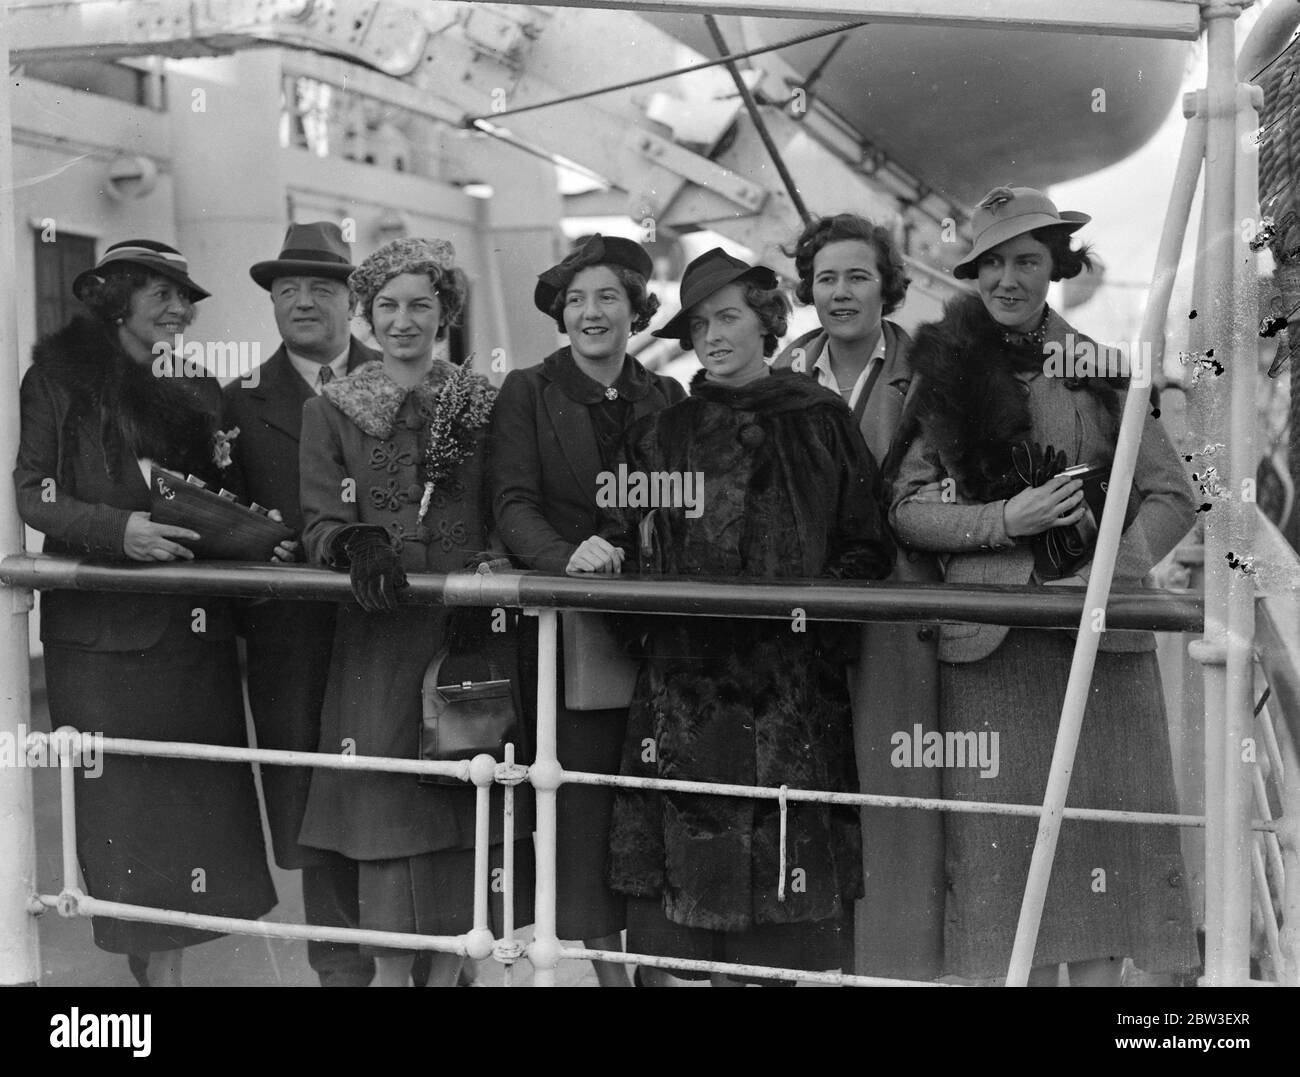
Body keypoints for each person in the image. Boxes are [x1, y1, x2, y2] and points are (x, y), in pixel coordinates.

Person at [889, 186, 1199, 985]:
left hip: (1099, 653)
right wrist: (1004, 520)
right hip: (990, 657)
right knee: (1000, 879)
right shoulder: (942, 374)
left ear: (1055, 266)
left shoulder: (1098, 368)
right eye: (991, 262)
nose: (1007, 279)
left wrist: (1105, 568)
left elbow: (1174, 493)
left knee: (1102, 865)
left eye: (1025, 260)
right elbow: (905, 509)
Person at [583, 248, 895, 985]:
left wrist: (809, 636)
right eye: (699, 324)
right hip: (684, 702)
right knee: (689, 916)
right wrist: (655, 630)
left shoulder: (820, 421)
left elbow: (865, 544)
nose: (714, 335)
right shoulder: (658, 435)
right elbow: (618, 546)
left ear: (767, 320)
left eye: (729, 316)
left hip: (794, 699)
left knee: (785, 925)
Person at [14, 239, 277, 986]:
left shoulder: (199, 387)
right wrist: (117, 531)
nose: (179, 309)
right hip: (102, 646)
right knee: (128, 824)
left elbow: (221, 498)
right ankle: (152, 979)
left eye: (185, 297)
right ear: (116, 299)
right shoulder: (57, 380)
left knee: (194, 820)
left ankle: (164, 980)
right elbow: (35, 492)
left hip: (192, 639)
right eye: (161, 293)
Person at [297, 236, 532, 988]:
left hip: (468, 636)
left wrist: (490, 572)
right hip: (379, 641)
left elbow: (504, 505)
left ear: (445, 313)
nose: (404, 321)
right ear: (366, 315)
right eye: (388, 306)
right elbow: (315, 521)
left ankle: (453, 973)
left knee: (465, 813)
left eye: (420, 306)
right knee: (389, 817)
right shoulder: (330, 409)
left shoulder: (481, 405)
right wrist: (355, 539)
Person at [489, 234, 686, 987]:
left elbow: (685, 498)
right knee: (585, 809)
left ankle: (656, 968)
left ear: (636, 308)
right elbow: (511, 500)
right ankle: (610, 974)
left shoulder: (665, 397)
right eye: (576, 299)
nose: (590, 312)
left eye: (607, 296)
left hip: (654, 634)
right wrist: (564, 555)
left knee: (658, 794)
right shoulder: (530, 392)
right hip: (572, 637)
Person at [773, 214, 944, 980]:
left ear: (887, 286)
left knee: (895, 781)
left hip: (896, 606)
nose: (839, 293)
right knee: (808, 782)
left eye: (857, 276)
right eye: (826, 278)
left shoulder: (928, 374)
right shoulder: (783, 372)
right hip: (805, 611)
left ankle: (900, 966)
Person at [222, 221, 379, 987]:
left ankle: (433, 958)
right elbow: (216, 517)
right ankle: (339, 967)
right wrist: (256, 545)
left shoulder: (410, 379)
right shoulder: (239, 402)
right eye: (288, 291)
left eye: (321, 287)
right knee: (315, 804)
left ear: (354, 300)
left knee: (405, 788)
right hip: (294, 640)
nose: (303, 302)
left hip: (392, 631)